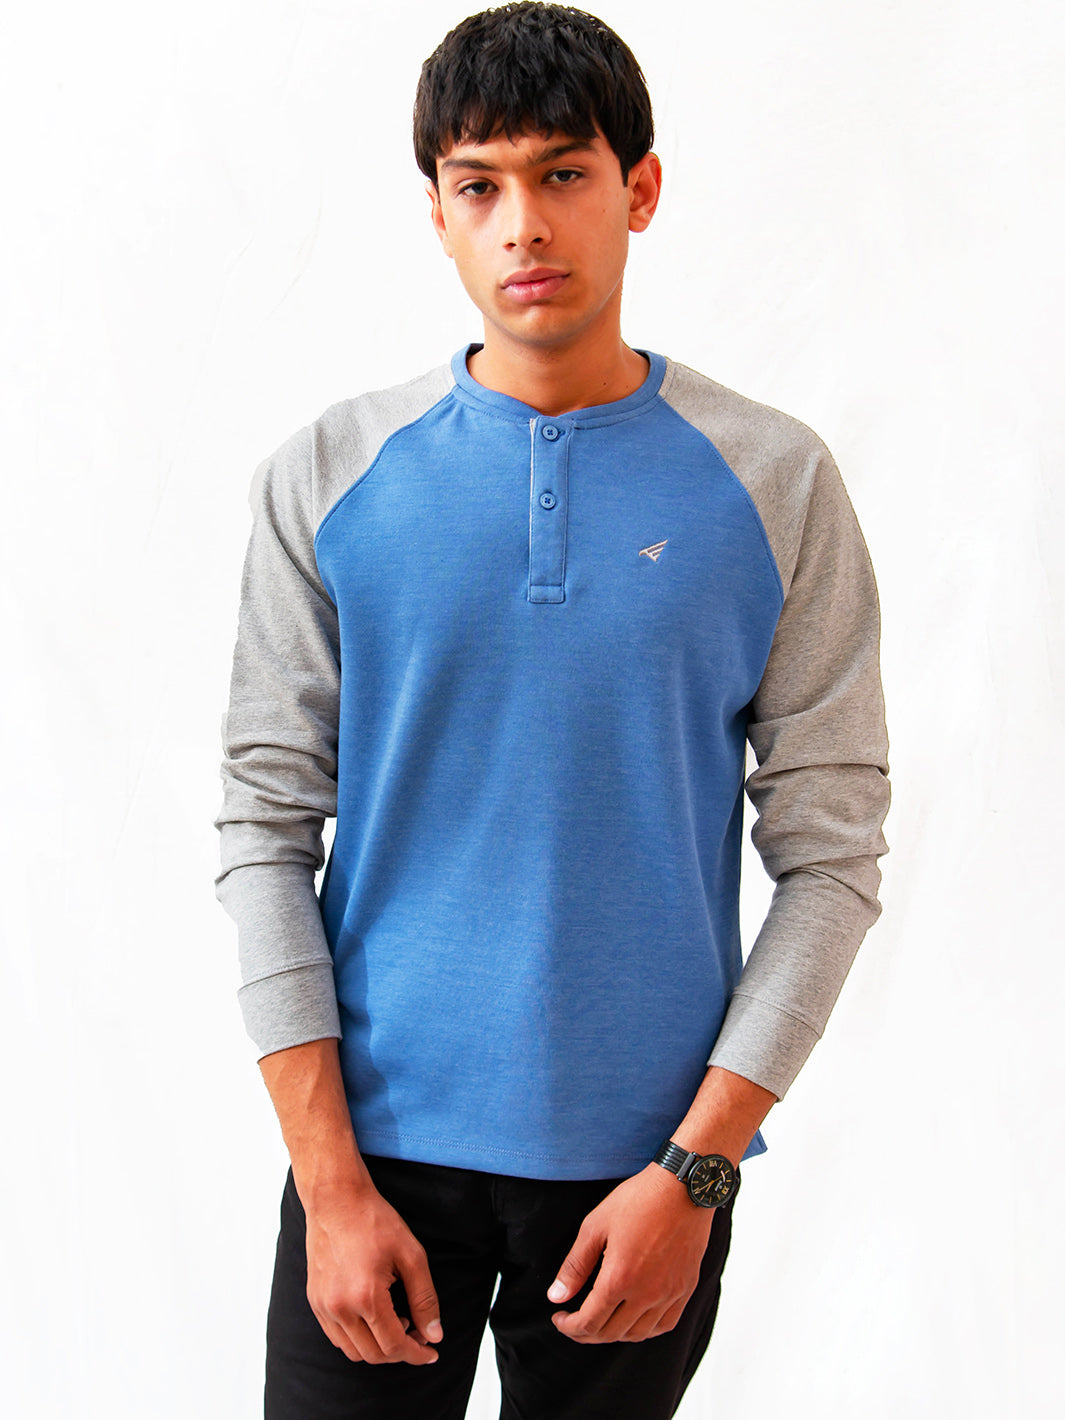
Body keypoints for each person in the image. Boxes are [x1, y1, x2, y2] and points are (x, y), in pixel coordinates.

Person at [214, 4, 890, 1416]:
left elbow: (829, 858)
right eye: (480, 186)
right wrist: (328, 1184)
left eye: (563, 174)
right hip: (372, 1167)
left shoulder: (775, 482)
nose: (523, 223)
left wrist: (698, 1170)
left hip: (643, 1174)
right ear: (438, 214)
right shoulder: (327, 477)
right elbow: (264, 833)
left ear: (640, 189)